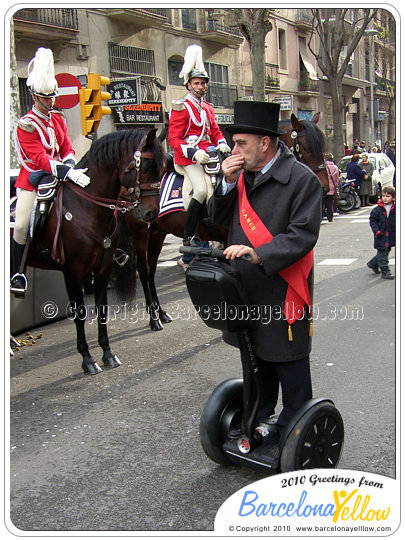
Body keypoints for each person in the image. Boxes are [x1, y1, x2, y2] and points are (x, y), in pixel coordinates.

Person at [208, 100, 323, 437]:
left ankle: (295, 430)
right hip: (245, 289)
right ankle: (257, 421)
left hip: (282, 287)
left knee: (288, 362)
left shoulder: (302, 180)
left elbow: (302, 235)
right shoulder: (240, 177)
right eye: (234, 143)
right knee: (256, 361)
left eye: (241, 143)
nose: (234, 150)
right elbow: (216, 221)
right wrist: (225, 185)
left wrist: (258, 253)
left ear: (265, 143)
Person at [11, 47, 90, 296]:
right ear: (35, 97)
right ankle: (17, 273)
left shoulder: (57, 119)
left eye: (52, 97)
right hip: (32, 180)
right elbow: (37, 157)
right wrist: (65, 170)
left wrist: (70, 163)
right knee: (22, 224)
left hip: (60, 175)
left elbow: (66, 146)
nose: (50, 101)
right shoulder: (26, 124)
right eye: (45, 98)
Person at [168, 44, 230, 246]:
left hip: (209, 155)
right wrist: (194, 153)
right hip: (188, 158)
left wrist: (221, 143)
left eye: (203, 83)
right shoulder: (181, 108)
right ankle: (189, 234)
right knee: (202, 190)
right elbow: (174, 139)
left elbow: (215, 131)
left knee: (222, 185)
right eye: (196, 83)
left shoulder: (208, 108)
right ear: (188, 85)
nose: (201, 86)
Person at [367, 186, 395, 279]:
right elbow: (372, 221)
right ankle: (385, 272)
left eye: (388, 196)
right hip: (381, 234)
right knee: (383, 252)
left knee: (386, 251)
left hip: (391, 234)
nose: (385, 198)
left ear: (393, 198)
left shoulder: (395, 208)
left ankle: (373, 263)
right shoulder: (377, 209)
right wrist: (377, 231)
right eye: (383, 196)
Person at [324, 153, 340, 222]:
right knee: (330, 203)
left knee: (322, 202)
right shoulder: (335, 167)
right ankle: (330, 217)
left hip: (324, 186)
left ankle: (321, 217)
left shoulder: (324, 166)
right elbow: (337, 178)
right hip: (332, 187)